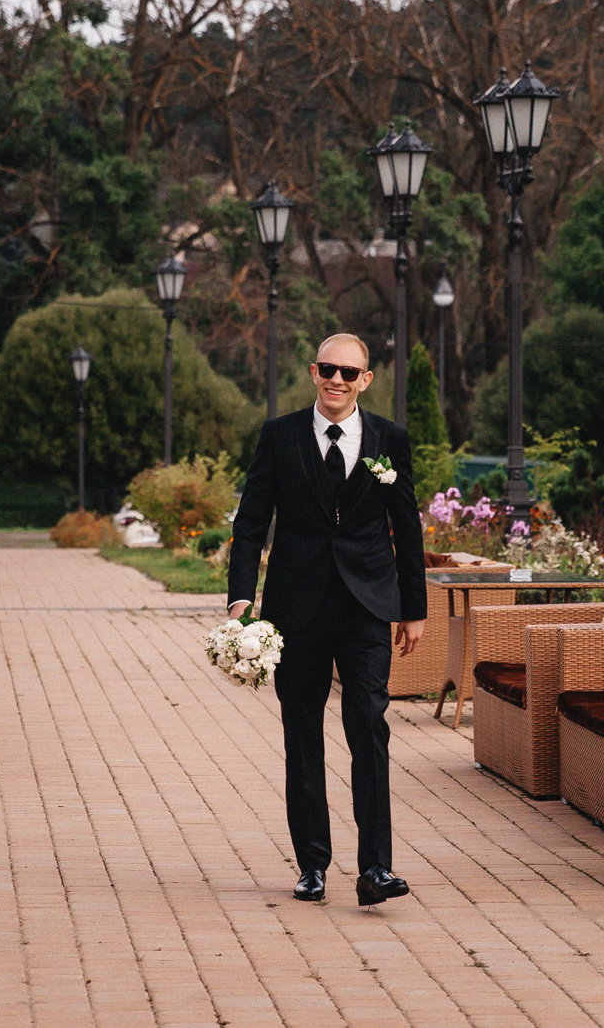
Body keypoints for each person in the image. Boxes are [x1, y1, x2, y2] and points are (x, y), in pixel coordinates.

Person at [225, 333, 425, 908]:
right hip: (297, 608)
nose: (337, 380)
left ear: (365, 379)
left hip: (367, 607)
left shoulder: (389, 438)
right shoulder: (280, 436)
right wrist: (241, 598)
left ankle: (377, 868)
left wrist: (413, 609)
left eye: (350, 372)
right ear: (314, 372)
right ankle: (312, 865)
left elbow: (406, 526)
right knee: (303, 735)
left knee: (369, 726)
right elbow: (252, 521)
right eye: (328, 370)